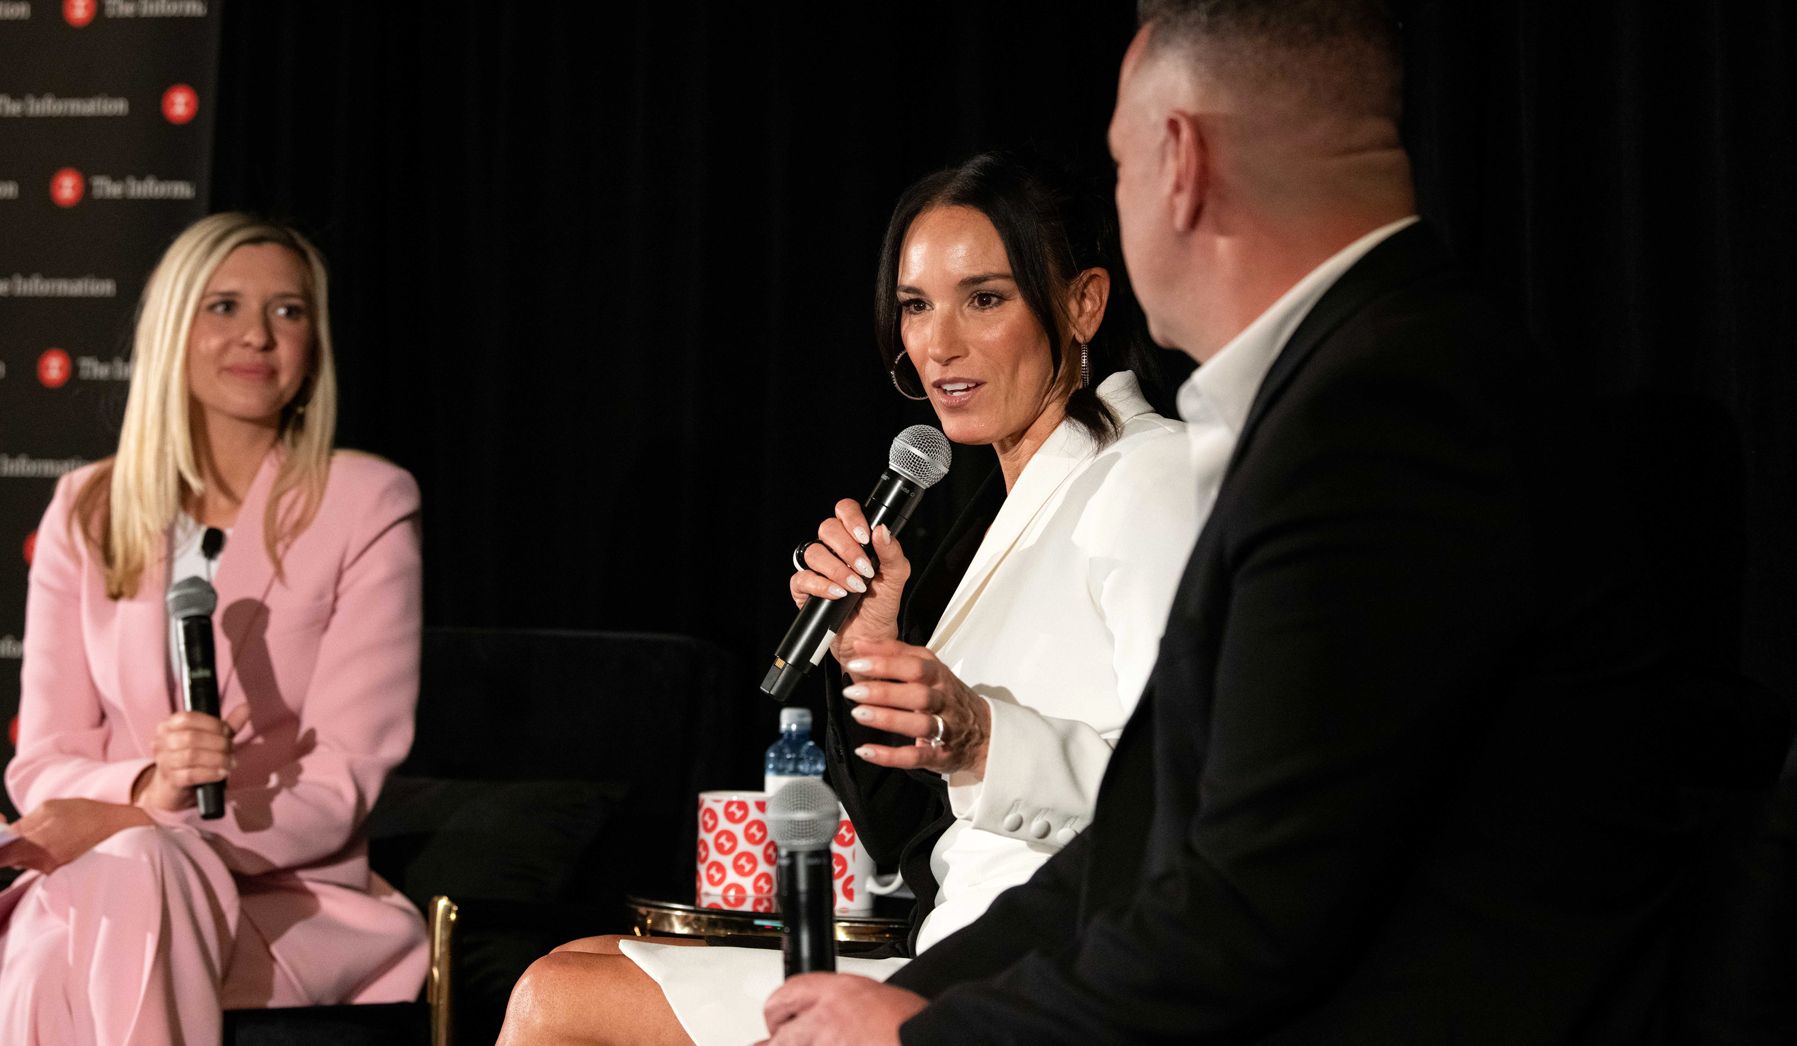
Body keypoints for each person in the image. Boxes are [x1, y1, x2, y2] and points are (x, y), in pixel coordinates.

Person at [756, 1, 1688, 1043]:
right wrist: (922, 999)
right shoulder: (1366, 383)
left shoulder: (1388, 415)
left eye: (1117, 170)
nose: (937, 342)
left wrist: (921, 1033)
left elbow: (1248, 908)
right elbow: (1155, 839)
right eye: (915, 307)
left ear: (1178, 161)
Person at [492, 153, 1197, 1046]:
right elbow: (910, 836)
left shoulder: (1150, 477)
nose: (938, 344)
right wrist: (868, 649)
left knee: (560, 1003)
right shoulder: (1000, 512)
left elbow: (1186, 797)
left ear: (1083, 302)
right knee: (581, 962)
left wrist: (982, 735)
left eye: (983, 298)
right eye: (915, 305)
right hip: (947, 938)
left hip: (1050, 966)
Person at [0, 213, 430, 1045]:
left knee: (105, 898)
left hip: (284, 895)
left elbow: (341, 781)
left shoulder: (367, 504)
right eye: (225, 306)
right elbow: (46, 760)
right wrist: (146, 793)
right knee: (122, 880)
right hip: (108, 879)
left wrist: (133, 823)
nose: (259, 336)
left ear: (314, 344)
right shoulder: (88, 508)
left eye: (289, 311)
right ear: (173, 330)